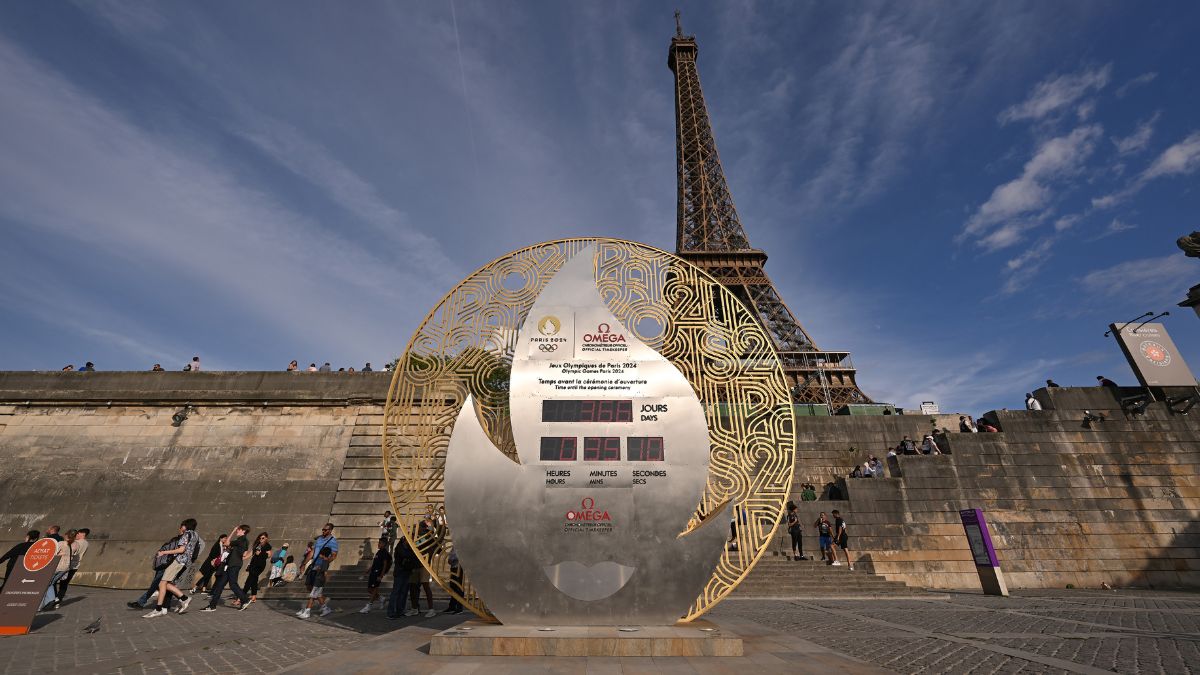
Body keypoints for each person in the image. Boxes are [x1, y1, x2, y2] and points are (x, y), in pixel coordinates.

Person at [143, 519, 200, 618]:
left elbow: (181, 549)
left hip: (179, 561)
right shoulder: (195, 535)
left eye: (183, 525)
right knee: (166, 584)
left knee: (162, 583)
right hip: (185, 562)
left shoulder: (186, 534)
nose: (181, 527)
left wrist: (164, 552)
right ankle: (180, 599)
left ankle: (159, 609)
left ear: (186, 526)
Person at [202, 524, 250, 612]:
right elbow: (244, 553)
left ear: (243, 531)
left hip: (233, 565)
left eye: (238, 530)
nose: (237, 531)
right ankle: (212, 606)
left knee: (233, 584)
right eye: (236, 530)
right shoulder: (244, 541)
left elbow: (226, 543)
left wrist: (232, 531)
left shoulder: (241, 539)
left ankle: (245, 600)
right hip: (230, 565)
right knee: (220, 585)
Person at [387, 533, 419, 619]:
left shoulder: (409, 548)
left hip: (407, 571)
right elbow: (405, 555)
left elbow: (414, 558)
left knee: (404, 592)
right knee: (396, 591)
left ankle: (400, 611)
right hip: (400, 571)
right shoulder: (400, 547)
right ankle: (391, 612)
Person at [297, 546, 334, 619]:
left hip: (319, 581)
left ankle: (307, 611)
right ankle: (325, 609)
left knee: (312, 596)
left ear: (323, 554)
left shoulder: (325, 562)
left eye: (320, 553)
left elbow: (325, 573)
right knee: (318, 596)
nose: (319, 555)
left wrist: (323, 581)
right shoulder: (324, 561)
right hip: (318, 581)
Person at [40, 530, 73, 610]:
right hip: (65, 568)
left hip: (57, 567)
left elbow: (53, 553)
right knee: (51, 583)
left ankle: (49, 601)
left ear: (66, 535)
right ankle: (52, 600)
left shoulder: (61, 543)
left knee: (46, 583)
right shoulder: (70, 545)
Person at [56, 527, 89, 602]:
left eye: (77, 534)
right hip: (76, 565)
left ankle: (56, 599)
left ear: (81, 533)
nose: (76, 535)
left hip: (68, 564)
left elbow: (70, 552)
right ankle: (58, 599)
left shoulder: (76, 543)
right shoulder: (86, 543)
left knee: (58, 582)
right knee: (65, 583)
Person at [360, 537, 393, 613]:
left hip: (378, 573)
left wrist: (381, 575)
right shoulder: (378, 552)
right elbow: (375, 563)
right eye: (379, 542)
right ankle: (381, 598)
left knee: (375, 589)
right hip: (373, 572)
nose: (378, 544)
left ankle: (369, 605)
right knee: (369, 589)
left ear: (384, 544)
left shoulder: (384, 553)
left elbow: (385, 564)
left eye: (380, 543)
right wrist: (368, 570)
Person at [242, 532, 272, 605]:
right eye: (260, 538)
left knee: (249, 580)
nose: (261, 539)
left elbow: (269, 555)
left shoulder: (267, 546)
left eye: (263, 538)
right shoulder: (257, 545)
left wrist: (261, 553)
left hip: (260, 565)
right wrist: (245, 557)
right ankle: (254, 597)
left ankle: (241, 597)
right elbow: (252, 552)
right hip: (253, 564)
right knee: (254, 580)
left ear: (266, 538)